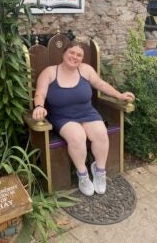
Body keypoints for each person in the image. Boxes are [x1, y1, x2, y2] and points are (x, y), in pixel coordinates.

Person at [32, 41, 135, 196]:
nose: (75, 57)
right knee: (77, 136)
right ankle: (83, 175)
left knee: (101, 133)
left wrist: (119, 95)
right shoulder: (50, 72)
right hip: (62, 116)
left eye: (79, 55)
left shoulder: (86, 70)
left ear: (82, 58)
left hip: (87, 112)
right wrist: (39, 106)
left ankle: (100, 171)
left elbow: (100, 84)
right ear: (64, 53)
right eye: (71, 53)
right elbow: (40, 93)